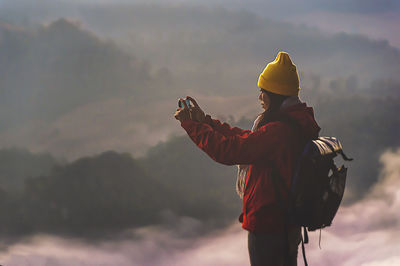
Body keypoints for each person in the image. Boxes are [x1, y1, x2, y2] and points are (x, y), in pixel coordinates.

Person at [174, 52, 321, 266]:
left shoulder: (279, 132)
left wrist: (192, 125)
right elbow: (246, 140)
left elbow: (230, 150)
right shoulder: (293, 124)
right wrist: (205, 121)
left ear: (276, 95)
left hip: (269, 226)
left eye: (264, 92)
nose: (260, 98)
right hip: (285, 223)